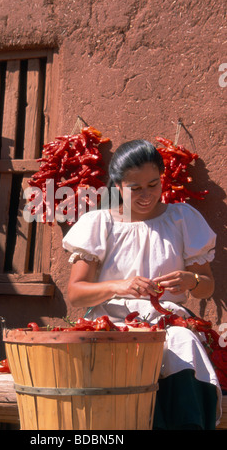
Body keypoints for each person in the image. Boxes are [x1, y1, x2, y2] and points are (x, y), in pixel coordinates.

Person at [62, 139, 222, 430]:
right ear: (117, 186)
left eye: (153, 184)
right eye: (134, 189)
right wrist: (118, 286)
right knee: (131, 357)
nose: (146, 195)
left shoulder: (182, 219)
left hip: (168, 322)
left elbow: (207, 287)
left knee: (182, 345)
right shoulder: (99, 224)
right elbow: (76, 294)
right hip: (111, 323)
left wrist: (192, 280)